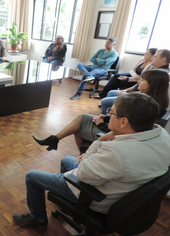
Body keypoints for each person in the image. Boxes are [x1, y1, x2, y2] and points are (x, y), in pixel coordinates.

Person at [13, 92, 170, 228]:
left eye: (112, 113)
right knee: (67, 160)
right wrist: (92, 159)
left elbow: (82, 175)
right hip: (126, 189)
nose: (108, 115)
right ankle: (65, 200)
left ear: (124, 122)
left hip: (97, 197)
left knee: (32, 176)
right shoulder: (162, 133)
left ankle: (38, 217)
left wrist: (100, 142)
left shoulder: (117, 152)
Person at [32, 69, 170, 153]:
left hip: (115, 133)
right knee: (82, 117)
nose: (139, 81)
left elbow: (125, 128)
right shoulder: (153, 101)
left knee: (79, 128)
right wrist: (105, 118)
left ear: (152, 84)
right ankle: (55, 139)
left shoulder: (144, 104)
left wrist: (101, 124)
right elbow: (126, 119)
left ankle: (84, 157)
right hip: (117, 127)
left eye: (143, 79)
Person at [100, 49, 170, 114]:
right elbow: (140, 82)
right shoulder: (155, 70)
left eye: (155, 57)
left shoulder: (161, 75)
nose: (152, 58)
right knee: (111, 92)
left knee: (104, 101)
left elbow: (148, 93)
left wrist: (127, 94)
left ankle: (110, 118)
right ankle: (114, 111)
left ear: (163, 59)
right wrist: (126, 90)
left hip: (137, 99)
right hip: (135, 95)